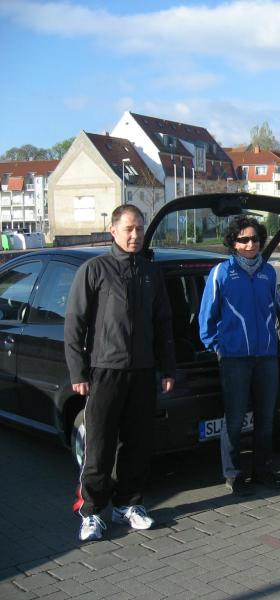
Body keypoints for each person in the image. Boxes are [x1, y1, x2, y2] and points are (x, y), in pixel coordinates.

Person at [65, 204, 175, 542]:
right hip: (104, 371)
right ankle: (91, 512)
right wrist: (78, 371)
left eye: (139, 228)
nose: (135, 235)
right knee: (99, 447)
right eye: (128, 229)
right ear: (113, 231)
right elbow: (75, 323)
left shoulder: (150, 272)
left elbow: (163, 323)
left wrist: (167, 367)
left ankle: (128, 504)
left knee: (137, 445)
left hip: (142, 371)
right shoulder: (95, 269)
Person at [199, 216, 280, 497]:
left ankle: (263, 469)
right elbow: (207, 317)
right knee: (234, 420)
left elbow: (275, 311)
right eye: (243, 239)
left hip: (266, 357)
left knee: (265, 418)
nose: (250, 244)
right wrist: (217, 347)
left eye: (255, 239)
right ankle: (233, 474)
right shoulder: (222, 273)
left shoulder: (268, 273)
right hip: (235, 359)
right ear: (233, 243)